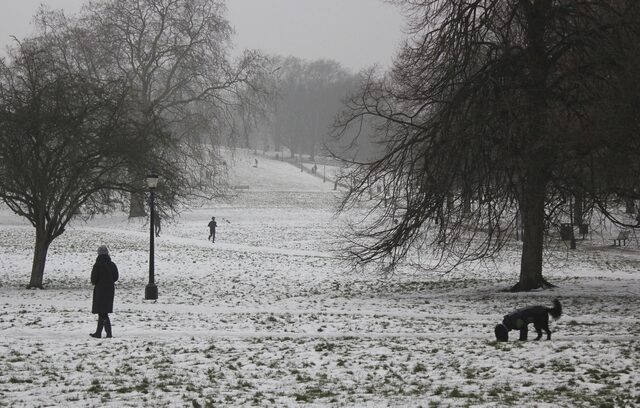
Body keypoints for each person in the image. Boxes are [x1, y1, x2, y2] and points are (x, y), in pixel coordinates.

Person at [90, 245, 119, 339]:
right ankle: (100, 332)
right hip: (110, 290)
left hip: (100, 290)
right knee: (103, 311)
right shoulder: (112, 264)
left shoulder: (97, 265)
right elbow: (116, 277)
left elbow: (93, 279)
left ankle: (105, 333)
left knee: (102, 312)